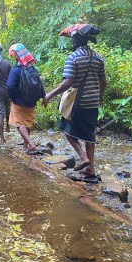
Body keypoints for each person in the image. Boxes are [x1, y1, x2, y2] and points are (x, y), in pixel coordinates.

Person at [42, 24, 105, 179]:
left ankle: (83, 157)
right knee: (90, 135)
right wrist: (99, 97)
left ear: (76, 41)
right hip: (93, 103)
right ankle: (91, 169)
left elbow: (68, 82)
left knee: (66, 129)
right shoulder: (98, 57)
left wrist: (50, 94)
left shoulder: (74, 57)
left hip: (78, 102)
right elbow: (103, 81)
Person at [7, 43, 45, 153]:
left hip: (19, 101)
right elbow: (39, 83)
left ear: (16, 57)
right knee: (27, 123)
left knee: (19, 124)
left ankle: (31, 144)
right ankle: (26, 146)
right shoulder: (32, 69)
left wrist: (12, 97)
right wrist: (43, 96)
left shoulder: (15, 70)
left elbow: (10, 86)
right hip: (32, 102)